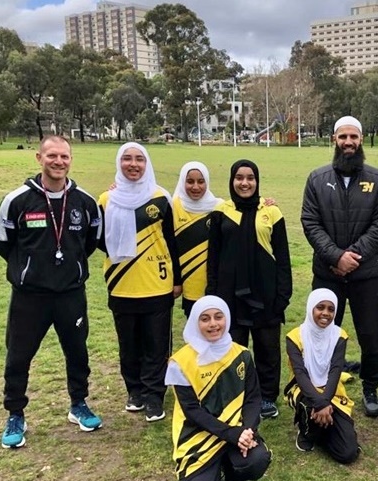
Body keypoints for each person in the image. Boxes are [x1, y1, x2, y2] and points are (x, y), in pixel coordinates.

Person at [0, 135, 103, 448]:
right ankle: (15, 414)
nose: (59, 162)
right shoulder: (17, 200)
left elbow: (91, 242)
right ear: (39, 158)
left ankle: (78, 404)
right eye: (52, 155)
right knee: (18, 356)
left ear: (71, 160)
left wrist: (71, 268)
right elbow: (3, 242)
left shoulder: (85, 201)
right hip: (30, 296)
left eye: (64, 156)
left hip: (70, 293)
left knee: (77, 352)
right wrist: (29, 269)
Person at [301, 116, 378, 417]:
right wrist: (334, 257)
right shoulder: (316, 178)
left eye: (354, 136)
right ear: (334, 140)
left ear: (362, 139)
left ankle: (370, 387)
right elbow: (310, 222)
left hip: (366, 274)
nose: (348, 142)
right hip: (328, 273)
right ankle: (321, 385)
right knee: (322, 331)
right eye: (343, 137)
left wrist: (351, 257)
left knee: (370, 333)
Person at [165, 296, 271, 481]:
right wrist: (233, 434)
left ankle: (232, 475)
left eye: (218, 317)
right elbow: (193, 412)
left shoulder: (241, 354)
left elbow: (253, 398)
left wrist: (248, 431)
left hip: (235, 433)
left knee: (258, 459)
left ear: (227, 319)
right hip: (198, 439)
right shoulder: (181, 362)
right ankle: (205, 479)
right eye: (205, 319)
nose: (213, 324)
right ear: (195, 323)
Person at [98, 142, 181, 422]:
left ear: (147, 165)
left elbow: (173, 242)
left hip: (157, 286)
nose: (133, 164)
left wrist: (177, 280)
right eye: (127, 159)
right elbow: (98, 242)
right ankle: (134, 391)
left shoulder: (161, 198)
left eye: (139, 159)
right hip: (121, 286)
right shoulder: (106, 200)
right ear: (119, 163)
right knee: (129, 345)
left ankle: (154, 395)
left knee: (156, 346)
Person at [206, 159, 292, 420]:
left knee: (267, 350)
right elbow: (213, 258)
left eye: (250, 178)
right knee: (233, 349)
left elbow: (284, 258)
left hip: (265, 295)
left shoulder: (272, 212)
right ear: (232, 181)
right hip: (230, 296)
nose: (244, 183)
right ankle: (236, 395)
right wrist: (214, 296)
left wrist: (282, 296)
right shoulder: (222, 211)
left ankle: (267, 397)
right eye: (239, 178)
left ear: (257, 181)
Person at [284, 289, 360, 463]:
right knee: (310, 408)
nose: (325, 313)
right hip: (302, 388)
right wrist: (320, 403)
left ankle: (322, 432)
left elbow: (335, 371)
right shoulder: (294, 337)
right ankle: (307, 433)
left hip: (331, 391)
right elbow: (300, 374)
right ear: (311, 308)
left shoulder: (339, 336)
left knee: (348, 453)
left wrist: (324, 401)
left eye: (331, 309)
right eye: (320, 307)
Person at [172, 161, 222, 317]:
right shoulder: (173, 206)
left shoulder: (219, 207)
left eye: (201, 182)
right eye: (190, 181)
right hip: (190, 286)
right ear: (182, 182)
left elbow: (246, 209)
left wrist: (266, 203)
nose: (195, 187)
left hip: (217, 285)